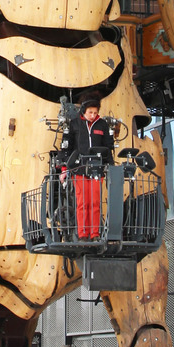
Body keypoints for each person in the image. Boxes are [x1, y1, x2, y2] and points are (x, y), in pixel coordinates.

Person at [63, 97, 115, 240]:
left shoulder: (102, 125)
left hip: (97, 169)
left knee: (95, 202)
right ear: (83, 111)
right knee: (82, 203)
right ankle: (83, 234)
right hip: (79, 169)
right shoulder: (75, 124)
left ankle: (95, 233)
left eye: (95, 113)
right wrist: (64, 168)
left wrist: (109, 165)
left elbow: (108, 147)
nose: (92, 115)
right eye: (90, 112)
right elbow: (68, 147)